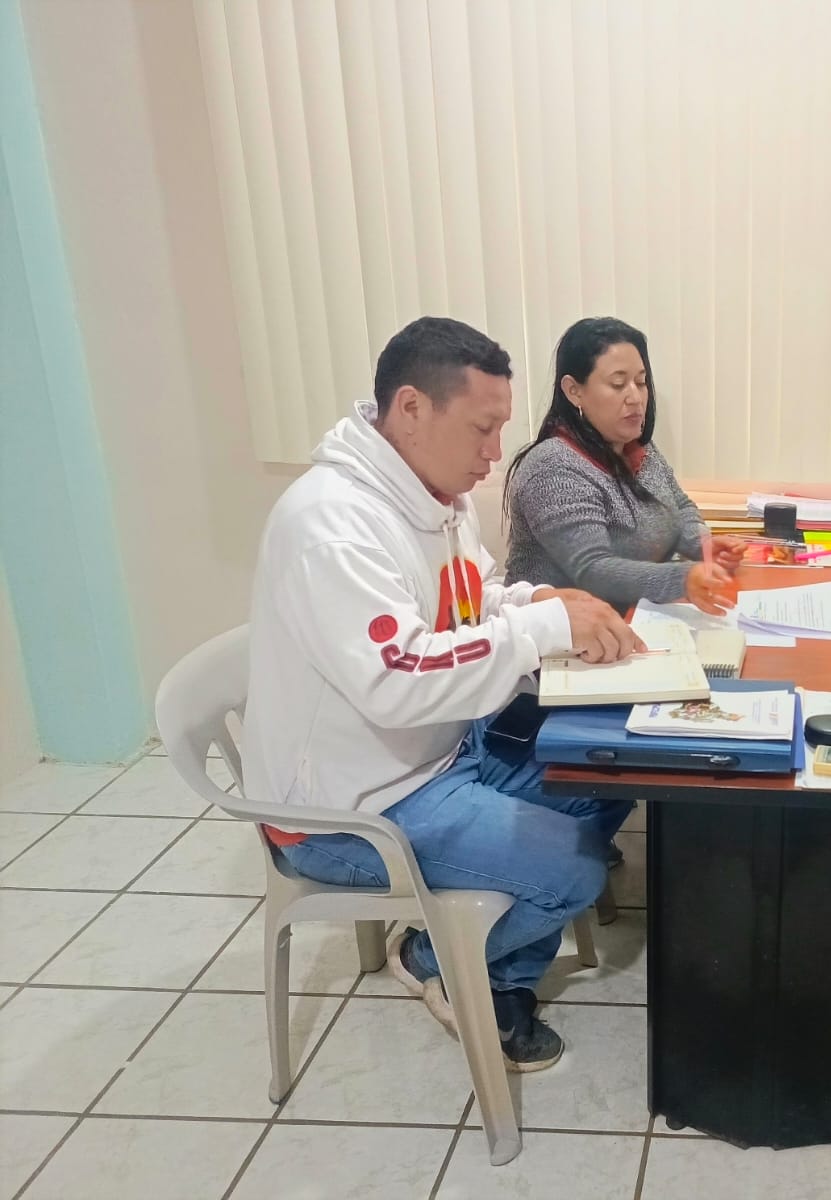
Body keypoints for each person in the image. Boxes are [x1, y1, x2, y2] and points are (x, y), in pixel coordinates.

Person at [242, 315, 646, 1071]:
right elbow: (396, 680)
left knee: (613, 771)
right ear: (411, 408)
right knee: (575, 870)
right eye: (482, 429)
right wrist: (540, 629)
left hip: (438, 752)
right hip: (352, 809)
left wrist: (540, 602)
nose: (495, 454)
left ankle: (490, 967)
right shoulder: (332, 525)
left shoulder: (434, 494)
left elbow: (474, 597)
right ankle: (435, 959)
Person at [502, 317, 742, 613]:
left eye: (641, 382)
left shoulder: (636, 447)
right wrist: (682, 579)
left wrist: (703, 544)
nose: (635, 398)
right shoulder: (552, 467)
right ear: (574, 390)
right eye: (618, 384)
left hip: (637, 617)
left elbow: (679, 507)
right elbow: (594, 570)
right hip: (560, 631)